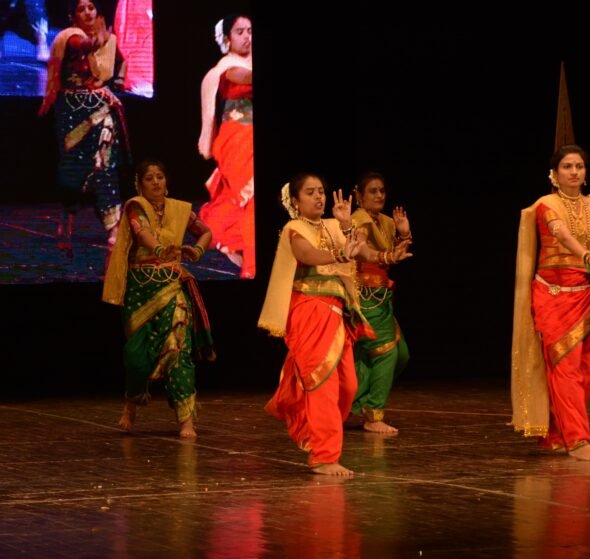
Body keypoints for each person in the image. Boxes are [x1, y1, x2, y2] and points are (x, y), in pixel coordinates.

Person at [258, 174, 409, 476]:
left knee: (347, 386)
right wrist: (341, 252)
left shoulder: (332, 225)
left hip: (339, 312)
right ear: (295, 201)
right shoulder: (294, 228)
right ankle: (324, 457)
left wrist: (385, 252)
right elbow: (308, 255)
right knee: (322, 385)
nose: (319, 197)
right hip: (309, 311)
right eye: (310, 192)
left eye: (321, 192)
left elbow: (361, 251)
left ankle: (316, 435)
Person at [511, 144, 590, 461]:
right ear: (554, 173)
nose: (574, 171)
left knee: (585, 370)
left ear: (586, 172)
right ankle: (577, 441)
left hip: (585, 294)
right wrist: (589, 258)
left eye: (579, 166)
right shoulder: (546, 205)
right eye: (567, 166)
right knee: (564, 369)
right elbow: (562, 235)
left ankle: (558, 437)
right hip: (553, 296)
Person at [102, 160, 215, 440]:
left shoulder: (179, 209)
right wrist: (161, 249)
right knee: (137, 358)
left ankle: (186, 421)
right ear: (139, 184)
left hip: (172, 287)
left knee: (179, 350)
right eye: (149, 178)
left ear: (167, 181)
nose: (156, 182)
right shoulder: (135, 206)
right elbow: (141, 232)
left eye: (160, 177)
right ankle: (131, 405)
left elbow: (206, 232)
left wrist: (197, 251)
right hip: (140, 292)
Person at [38, 0, 128, 248]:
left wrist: (117, 82)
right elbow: (83, 45)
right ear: (72, 15)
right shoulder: (69, 37)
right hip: (72, 112)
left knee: (105, 165)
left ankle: (113, 227)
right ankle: (66, 220)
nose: (88, 13)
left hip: (101, 110)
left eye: (91, 7)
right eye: (81, 9)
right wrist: (98, 40)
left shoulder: (108, 40)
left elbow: (121, 60)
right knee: (73, 170)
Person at [349, 172, 413, 434]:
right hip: (365, 297)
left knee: (401, 354)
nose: (379, 195)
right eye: (372, 191)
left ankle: (357, 402)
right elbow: (364, 251)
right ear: (359, 196)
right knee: (386, 352)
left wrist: (403, 234)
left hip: (381, 297)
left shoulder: (385, 221)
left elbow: (396, 253)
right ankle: (373, 414)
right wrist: (389, 256)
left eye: (382, 191)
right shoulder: (358, 220)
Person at [197, 14, 254, 279]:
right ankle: (252, 266)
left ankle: (250, 260)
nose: (247, 37)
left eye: (250, 31)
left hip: (251, 137)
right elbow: (245, 77)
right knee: (249, 198)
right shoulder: (228, 67)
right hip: (237, 139)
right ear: (228, 39)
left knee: (238, 204)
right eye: (240, 32)